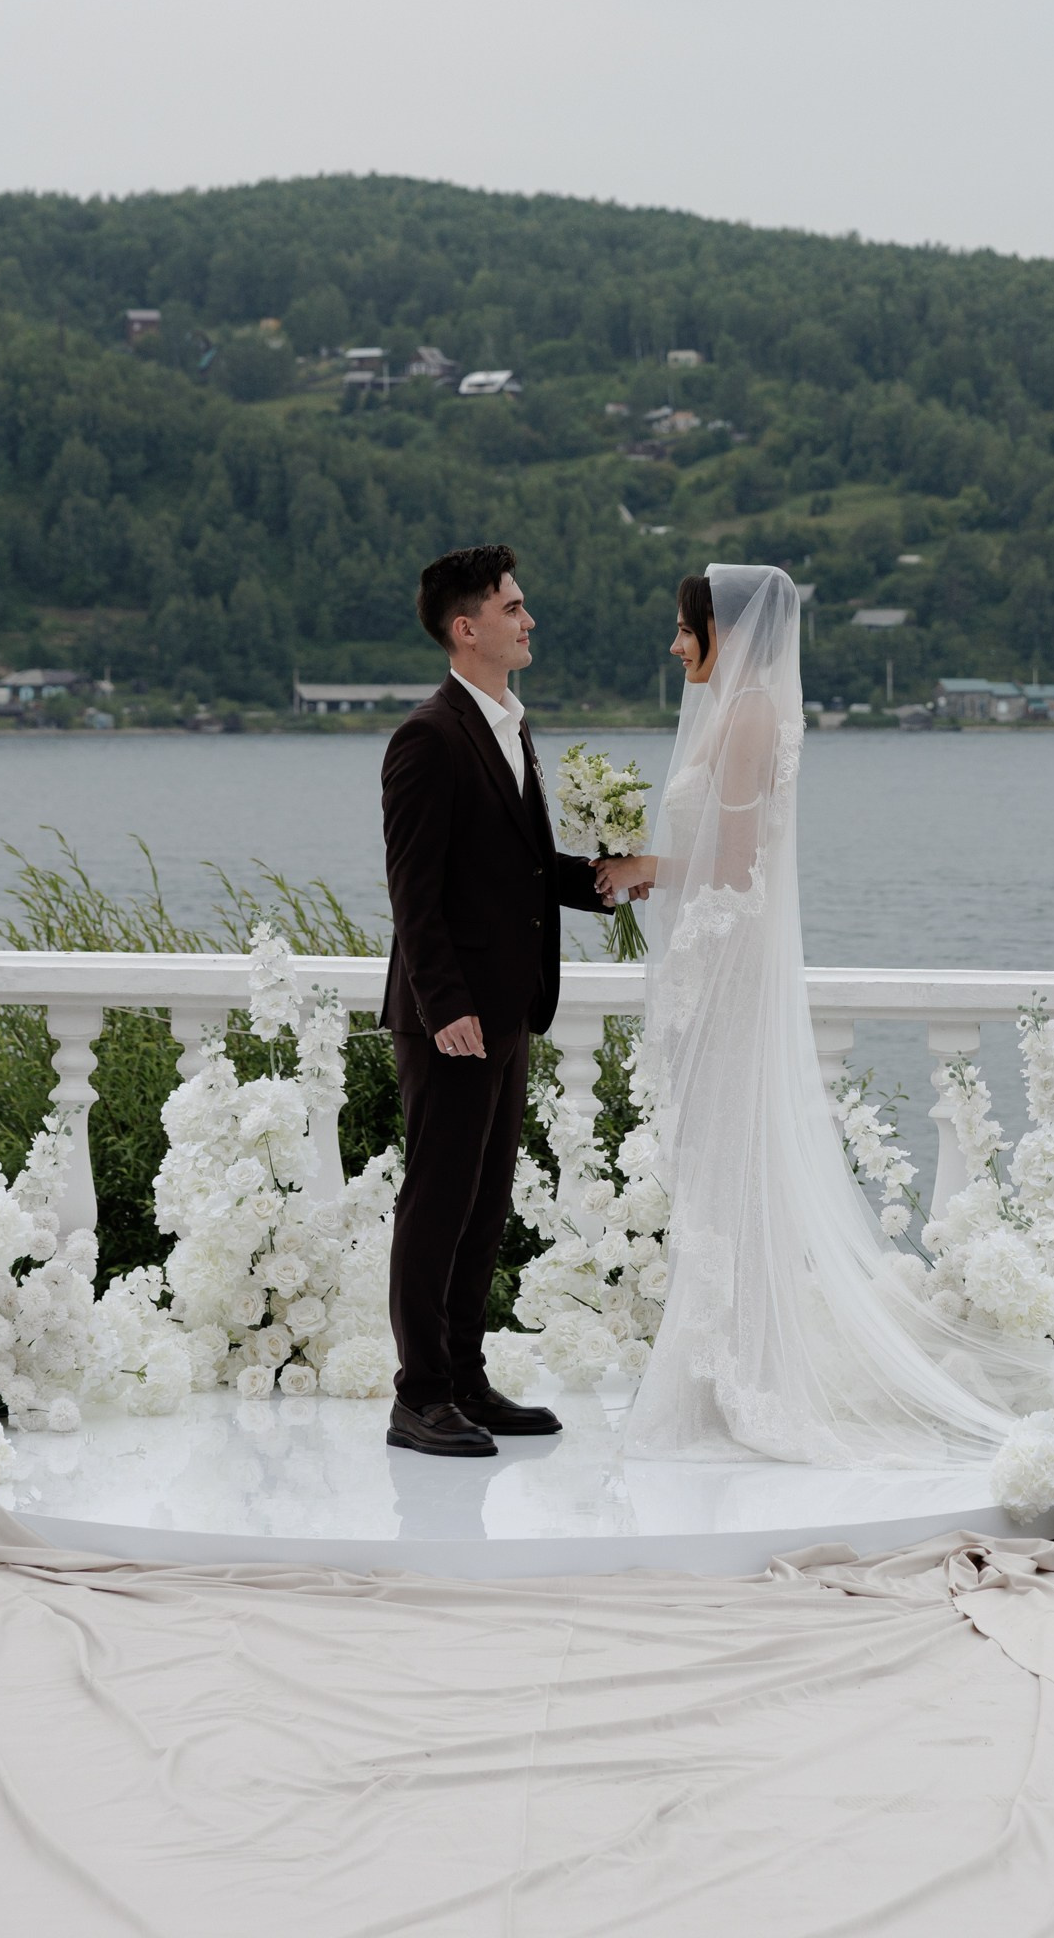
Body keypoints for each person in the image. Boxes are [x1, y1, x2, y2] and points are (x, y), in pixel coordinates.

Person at [597, 561, 1050, 1467]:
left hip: (729, 977)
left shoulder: (749, 715)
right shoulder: (734, 708)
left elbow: (735, 865)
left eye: (686, 627)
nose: (676, 644)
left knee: (729, 1166)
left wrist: (646, 869)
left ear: (726, 629)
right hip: (711, 968)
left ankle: (744, 1376)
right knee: (714, 1167)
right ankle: (718, 1368)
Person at [380, 543, 611, 1456]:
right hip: (454, 1017)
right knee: (437, 1203)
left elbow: (519, 867)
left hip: (511, 1008)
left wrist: (610, 880)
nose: (529, 619)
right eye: (512, 607)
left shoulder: (511, 726)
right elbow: (414, 891)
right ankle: (419, 1396)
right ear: (465, 628)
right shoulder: (428, 737)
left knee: (484, 1206)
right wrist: (446, 1007)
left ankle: (466, 1380)